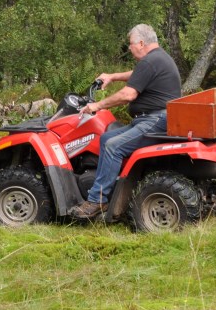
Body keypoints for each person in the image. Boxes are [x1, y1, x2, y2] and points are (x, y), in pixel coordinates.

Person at [68, 24, 181, 219]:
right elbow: (137, 74)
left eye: (131, 44)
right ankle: (113, 187)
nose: (129, 48)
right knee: (106, 138)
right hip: (153, 118)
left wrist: (97, 105)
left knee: (113, 146)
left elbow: (128, 95)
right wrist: (112, 77)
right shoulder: (157, 58)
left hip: (156, 119)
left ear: (141, 43)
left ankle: (97, 200)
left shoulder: (150, 61)